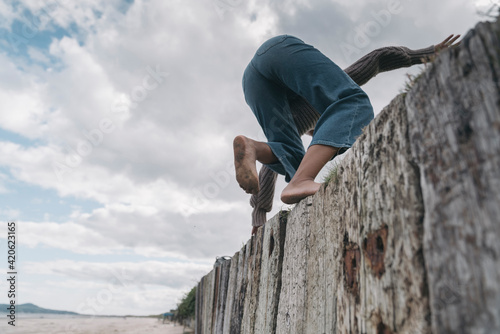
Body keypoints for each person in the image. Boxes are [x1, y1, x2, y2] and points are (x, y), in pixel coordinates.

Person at [234, 34, 461, 235]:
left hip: (250, 82)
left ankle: (254, 147)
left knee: (290, 157)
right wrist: (425, 54)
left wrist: (259, 212)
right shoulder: (325, 96)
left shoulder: (294, 122)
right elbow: (376, 59)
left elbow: (267, 168)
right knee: (353, 103)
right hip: (277, 50)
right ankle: (301, 181)